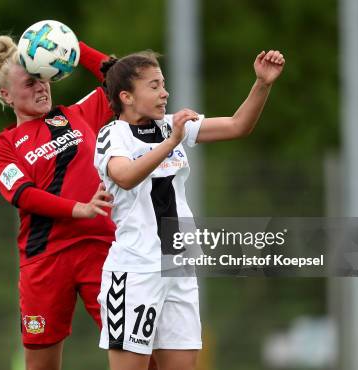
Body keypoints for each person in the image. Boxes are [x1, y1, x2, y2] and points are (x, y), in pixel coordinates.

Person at [94, 49, 285, 370]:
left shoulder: (171, 126)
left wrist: (262, 84)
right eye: (154, 86)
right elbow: (125, 177)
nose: (164, 92)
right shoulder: (113, 135)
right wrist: (171, 143)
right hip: (136, 271)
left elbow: (238, 126)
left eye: (163, 84)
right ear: (126, 96)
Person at [0, 33, 116, 370]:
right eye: (29, 82)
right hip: (45, 260)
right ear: (5, 94)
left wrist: (72, 44)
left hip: (100, 248)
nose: (41, 87)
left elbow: (123, 78)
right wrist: (77, 208)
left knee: (137, 350)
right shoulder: (2, 145)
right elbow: (23, 195)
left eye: (43, 78)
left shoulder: (77, 115)